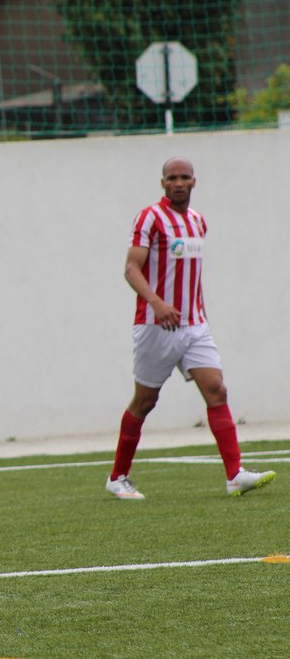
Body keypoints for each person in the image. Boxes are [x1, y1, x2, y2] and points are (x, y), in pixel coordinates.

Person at [106, 157, 276, 500]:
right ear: (163, 183)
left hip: (195, 325)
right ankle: (118, 477)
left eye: (184, 177)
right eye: (172, 178)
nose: (178, 183)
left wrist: (201, 316)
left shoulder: (198, 221)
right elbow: (131, 269)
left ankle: (235, 475)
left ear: (194, 182)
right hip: (156, 325)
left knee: (217, 390)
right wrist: (157, 302)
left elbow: (192, 278)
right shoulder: (150, 218)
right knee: (145, 400)